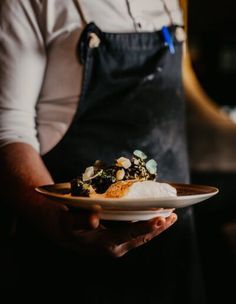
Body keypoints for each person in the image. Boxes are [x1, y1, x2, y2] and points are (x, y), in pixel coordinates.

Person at [0, 0, 204, 302]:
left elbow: (185, 104)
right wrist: (55, 220)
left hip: (173, 244)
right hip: (69, 248)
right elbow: (9, 129)